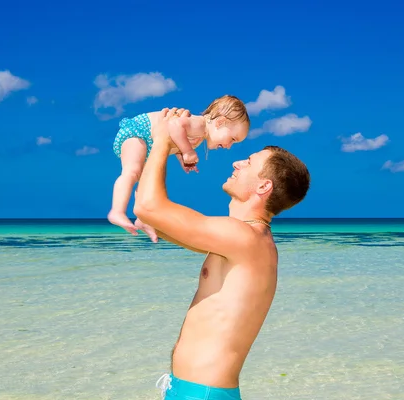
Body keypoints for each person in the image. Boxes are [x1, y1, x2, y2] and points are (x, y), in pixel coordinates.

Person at [133, 107, 310, 400]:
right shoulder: (248, 239)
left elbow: (147, 206)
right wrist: (157, 225)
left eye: (249, 163)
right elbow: (161, 219)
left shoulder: (243, 237)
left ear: (263, 186)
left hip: (201, 394)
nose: (238, 162)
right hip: (194, 390)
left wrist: (163, 139)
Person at [107, 95, 250, 243]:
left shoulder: (199, 136)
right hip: (138, 133)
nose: (229, 146)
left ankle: (143, 219)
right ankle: (117, 211)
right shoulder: (197, 124)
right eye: (232, 139)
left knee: (146, 184)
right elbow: (174, 126)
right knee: (132, 172)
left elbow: (175, 139)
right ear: (220, 122)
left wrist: (182, 157)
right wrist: (187, 151)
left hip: (151, 141)